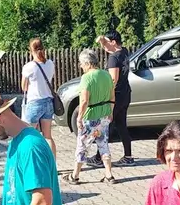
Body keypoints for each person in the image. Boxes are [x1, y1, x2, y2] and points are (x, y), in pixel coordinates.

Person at [66, 49, 116, 185]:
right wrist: (110, 112)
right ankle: (109, 174)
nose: (81, 66)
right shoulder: (106, 75)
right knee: (103, 144)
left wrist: (79, 117)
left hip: (90, 116)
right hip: (104, 114)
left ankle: (75, 175)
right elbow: (112, 96)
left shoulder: (87, 78)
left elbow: (84, 101)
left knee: (82, 145)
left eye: (81, 63)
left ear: (88, 63)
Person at [101, 30, 135, 165]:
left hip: (116, 96)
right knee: (121, 126)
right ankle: (128, 156)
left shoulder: (113, 58)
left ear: (113, 42)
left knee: (105, 126)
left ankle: (99, 157)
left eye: (106, 43)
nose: (103, 47)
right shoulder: (124, 52)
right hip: (126, 93)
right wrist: (103, 40)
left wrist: (108, 97)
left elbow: (113, 80)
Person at [20, 38, 58, 158]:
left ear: (31, 50)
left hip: (35, 102)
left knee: (30, 135)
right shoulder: (50, 63)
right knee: (48, 136)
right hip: (48, 102)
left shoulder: (29, 67)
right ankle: (53, 165)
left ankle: (34, 161)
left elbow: (24, 87)